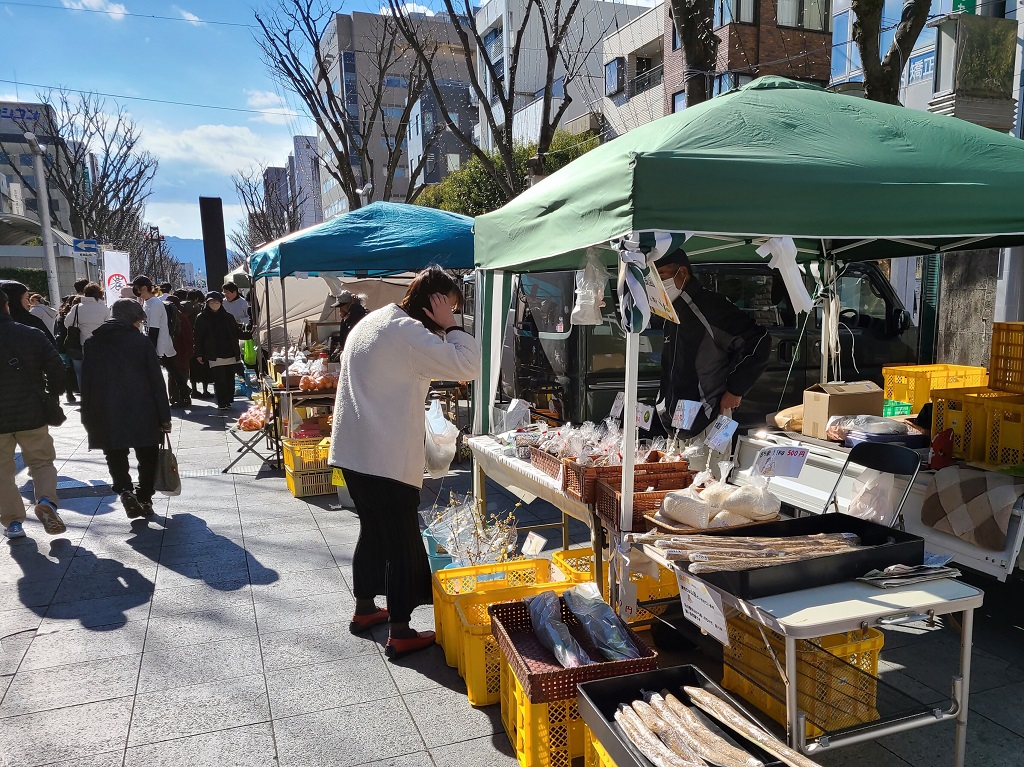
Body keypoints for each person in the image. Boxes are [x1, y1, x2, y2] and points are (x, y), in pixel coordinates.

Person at [329, 267, 479, 658]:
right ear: (436, 303)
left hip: (353, 450)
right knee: (401, 542)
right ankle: (400, 628)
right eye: (450, 305)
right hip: (385, 454)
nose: (451, 313)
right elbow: (468, 367)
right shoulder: (407, 330)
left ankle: (364, 609)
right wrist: (452, 325)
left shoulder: (376, 319)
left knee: (373, 531)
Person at [653, 248, 772, 451]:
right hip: (675, 422)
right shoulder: (671, 309)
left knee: (710, 481)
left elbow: (760, 340)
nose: (657, 284)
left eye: (661, 275)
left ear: (682, 273)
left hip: (709, 418)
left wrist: (736, 389)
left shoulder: (711, 307)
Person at [81, 299, 172, 519]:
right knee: (147, 454)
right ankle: (145, 497)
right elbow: (156, 380)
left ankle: (124, 489)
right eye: (140, 320)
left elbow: (86, 381)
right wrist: (164, 415)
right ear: (133, 319)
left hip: (106, 407)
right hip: (142, 405)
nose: (140, 324)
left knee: (114, 452)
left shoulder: (93, 342)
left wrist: (88, 415)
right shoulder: (140, 342)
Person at [0, 287, 67, 539]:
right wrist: (52, 393)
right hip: (32, 412)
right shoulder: (31, 333)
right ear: (7, 306)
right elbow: (56, 367)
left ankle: (14, 522)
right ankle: (47, 503)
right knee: (41, 462)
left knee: (2, 473)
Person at [132, 276, 189, 410]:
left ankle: (184, 394)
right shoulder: (148, 303)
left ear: (143, 288)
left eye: (136, 287)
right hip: (158, 344)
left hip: (160, 344)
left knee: (172, 371)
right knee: (173, 370)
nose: (134, 290)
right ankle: (185, 393)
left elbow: (154, 329)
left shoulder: (155, 304)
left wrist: (150, 348)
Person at [193, 292, 241, 410]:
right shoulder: (202, 317)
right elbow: (198, 336)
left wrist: (250, 334)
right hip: (214, 353)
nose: (214, 304)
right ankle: (221, 402)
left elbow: (236, 332)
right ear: (207, 303)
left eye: (217, 302)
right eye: (211, 302)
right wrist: (198, 353)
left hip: (230, 352)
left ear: (221, 302)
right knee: (219, 379)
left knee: (230, 379)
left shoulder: (228, 317)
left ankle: (228, 400)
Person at [64, 282, 109, 390]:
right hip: (101, 344)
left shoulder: (77, 308)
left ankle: (85, 398)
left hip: (83, 342)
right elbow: (108, 326)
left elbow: (67, 323)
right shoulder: (103, 309)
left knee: (82, 372)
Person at [1, 282, 56, 346]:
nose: (28, 304)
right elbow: (51, 349)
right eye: (27, 298)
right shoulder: (32, 323)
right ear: (16, 300)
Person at [163, 293, 194, 407]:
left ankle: (177, 397)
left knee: (174, 374)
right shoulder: (180, 316)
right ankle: (181, 396)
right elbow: (188, 337)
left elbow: (186, 336)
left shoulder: (174, 317)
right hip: (180, 352)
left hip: (175, 351)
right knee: (180, 374)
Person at [182, 290, 209, 398]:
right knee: (204, 365)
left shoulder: (182, 306)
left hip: (186, 340)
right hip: (199, 339)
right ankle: (205, 390)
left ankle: (194, 390)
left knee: (192, 366)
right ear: (197, 298)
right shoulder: (198, 307)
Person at [328, 290, 368, 357]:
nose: (340, 309)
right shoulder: (346, 319)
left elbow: (356, 327)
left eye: (342, 306)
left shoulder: (362, 314)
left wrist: (356, 307)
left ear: (350, 305)